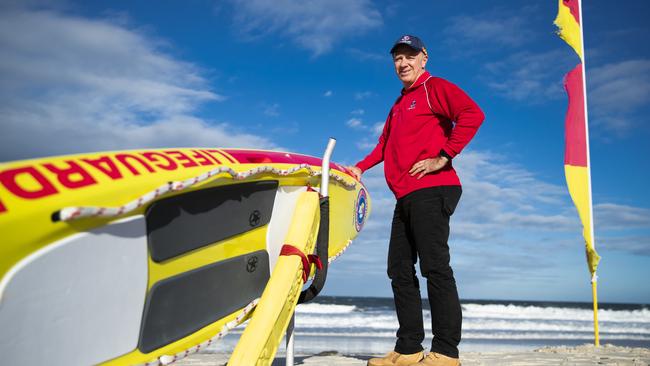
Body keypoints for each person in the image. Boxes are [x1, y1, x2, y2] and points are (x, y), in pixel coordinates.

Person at [348, 35, 484, 366]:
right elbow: (384, 146)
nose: (403, 63)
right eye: (397, 58)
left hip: (433, 188)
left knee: (434, 267)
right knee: (398, 268)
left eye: (410, 56)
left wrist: (443, 156)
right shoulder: (398, 105)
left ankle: (446, 352)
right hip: (406, 195)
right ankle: (409, 347)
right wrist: (359, 167)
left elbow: (472, 114)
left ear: (424, 57)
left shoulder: (434, 87)